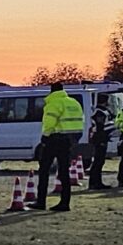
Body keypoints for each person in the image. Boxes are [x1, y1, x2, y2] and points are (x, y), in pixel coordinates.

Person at [35, 81, 84, 212]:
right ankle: (65, 202)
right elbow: (80, 122)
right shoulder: (74, 103)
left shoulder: (53, 104)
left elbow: (49, 123)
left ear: (51, 91)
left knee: (44, 169)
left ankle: (41, 201)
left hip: (54, 139)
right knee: (64, 172)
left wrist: (45, 137)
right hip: (70, 140)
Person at [85, 102, 114, 191]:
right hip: (100, 139)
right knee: (98, 162)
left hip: (101, 139)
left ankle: (97, 182)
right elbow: (101, 127)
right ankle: (94, 183)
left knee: (100, 162)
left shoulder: (101, 111)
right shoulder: (99, 112)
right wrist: (102, 139)